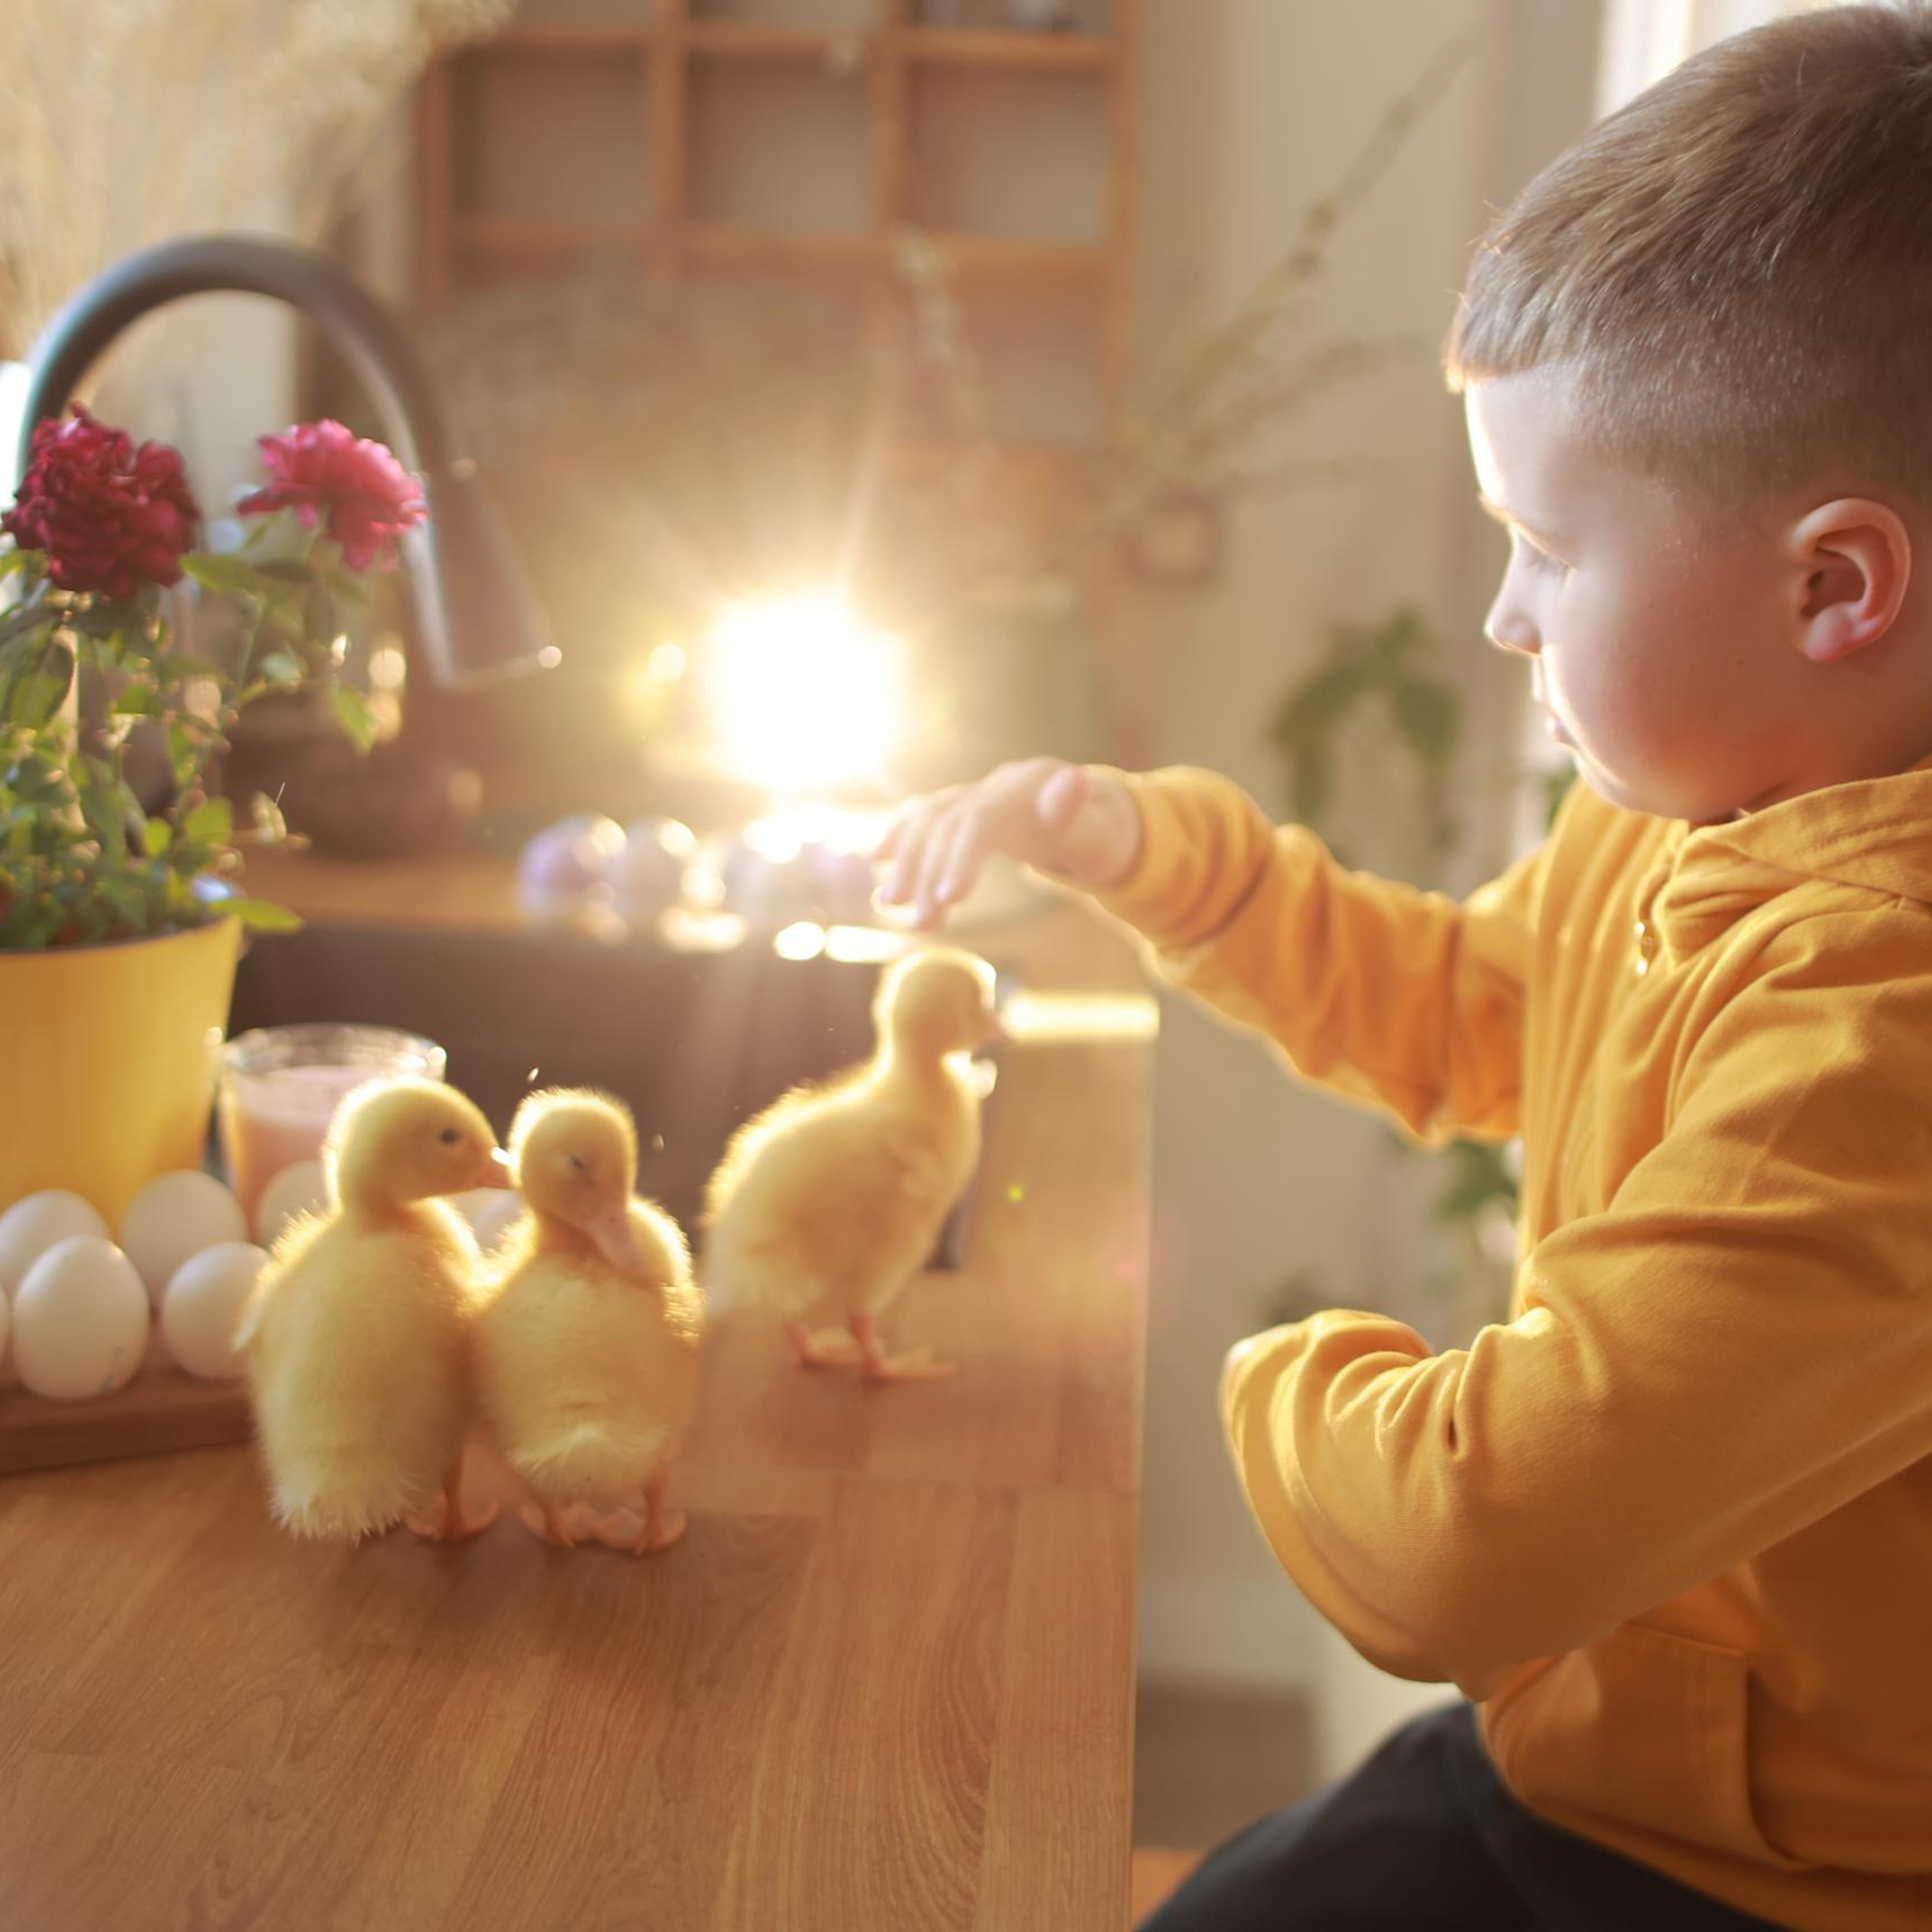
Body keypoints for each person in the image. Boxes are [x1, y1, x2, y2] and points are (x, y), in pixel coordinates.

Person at [878, 7, 1932, 1927]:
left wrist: (1256, 1362)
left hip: (1773, 1881)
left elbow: (1460, 1545)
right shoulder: (1693, 803)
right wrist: (1158, 859)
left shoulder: (1884, 1028)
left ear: (1832, 587)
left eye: (1543, 543)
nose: (1502, 610)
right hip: (1584, 1740)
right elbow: (1476, 1017)